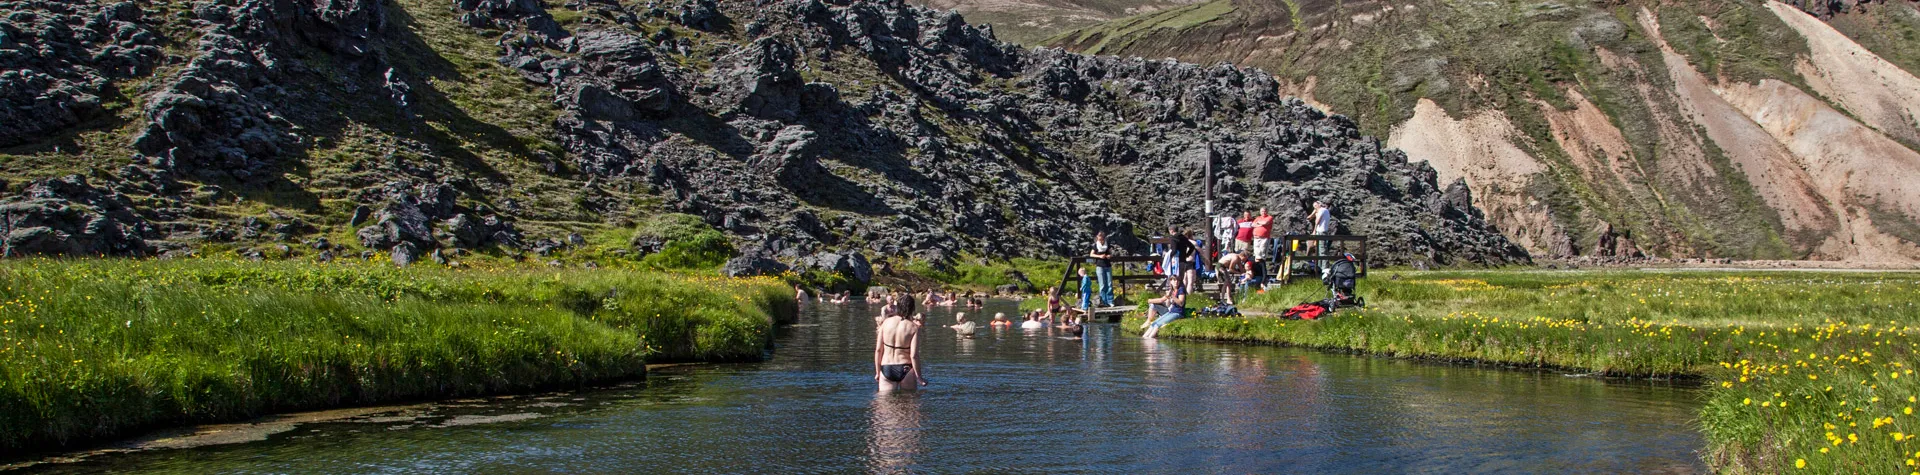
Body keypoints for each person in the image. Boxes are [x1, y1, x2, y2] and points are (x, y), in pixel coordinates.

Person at [875, 294, 926, 391]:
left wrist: (877, 372)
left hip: (886, 367)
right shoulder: (914, 327)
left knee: (884, 403)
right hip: (905, 368)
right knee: (909, 403)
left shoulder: (886, 323)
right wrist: (919, 377)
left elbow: (878, 350)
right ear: (912, 308)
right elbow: (914, 355)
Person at [1088, 231, 1115, 307]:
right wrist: (1099, 256)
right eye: (1099, 239)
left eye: (1101, 239)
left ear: (1104, 238)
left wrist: (1109, 256)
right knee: (1102, 284)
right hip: (1099, 266)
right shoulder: (1095, 245)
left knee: (1109, 283)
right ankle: (1103, 301)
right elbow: (1091, 254)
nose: (1100, 240)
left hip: (1107, 265)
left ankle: (1110, 301)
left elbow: (1110, 253)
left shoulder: (1108, 245)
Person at [1251, 208, 1274, 283]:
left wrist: (1259, 224)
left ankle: (1262, 266)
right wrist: (1260, 223)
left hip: (1264, 238)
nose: (1263, 212)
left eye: (1264, 211)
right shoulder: (1258, 218)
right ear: (1260, 212)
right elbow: (1252, 224)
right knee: (1256, 252)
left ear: (1267, 211)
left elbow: (1266, 223)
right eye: (1262, 211)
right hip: (1256, 237)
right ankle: (1258, 266)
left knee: (1262, 252)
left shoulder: (1269, 217)